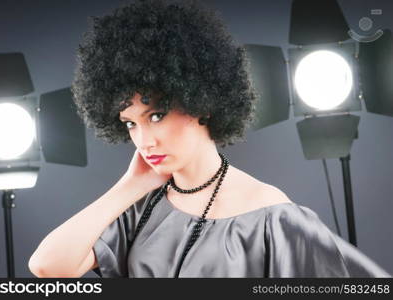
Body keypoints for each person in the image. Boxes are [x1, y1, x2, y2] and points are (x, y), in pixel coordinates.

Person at [28, 0, 391, 278]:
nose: (145, 140)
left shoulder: (272, 216)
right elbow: (47, 267)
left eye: (156, 115)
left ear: (200, 101)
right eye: (130, 124)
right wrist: (129, 186)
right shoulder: (138, 210)